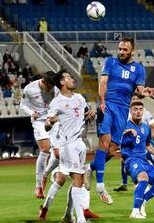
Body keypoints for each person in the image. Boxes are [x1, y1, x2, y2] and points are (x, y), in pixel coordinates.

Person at [85, 37, 154, 205]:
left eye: (125, 50)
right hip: (108, 105)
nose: (121, 52)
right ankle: (101, 187)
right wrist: (102, 101)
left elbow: (139, 91)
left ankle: (90, 168)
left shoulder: (139, 69)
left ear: (132, 51)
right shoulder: (110, 61)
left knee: (111, 152)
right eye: (120, 49)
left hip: (123, 110)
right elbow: (103, 82)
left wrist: (144, 93)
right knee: (104, 143)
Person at [44, 69, 95, 223]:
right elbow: (47, 126)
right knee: (77, 178)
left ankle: (68, 216)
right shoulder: (56, 102)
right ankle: (80, 219)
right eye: (68, 77)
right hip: (68, 145)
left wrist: (91, 114)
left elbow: (85, 113)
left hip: (80, 143)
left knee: (77, 180)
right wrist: (49, 122)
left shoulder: (80, 98)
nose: (72, 79)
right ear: (62, 82)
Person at [121, 100, 154, 219]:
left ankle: (143, 199)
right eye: (135, 109)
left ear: (143, 111)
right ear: (131, 111)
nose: (138, 112)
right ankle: (134, 211)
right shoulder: (124, 125)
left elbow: (148, 146)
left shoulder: (146, 127)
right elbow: (114, 138)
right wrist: (125, 132)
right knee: (143, 178)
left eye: (140, 109)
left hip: (143, 161)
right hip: (131, 161)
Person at [20, 71, 58, 199]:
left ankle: (47, 173)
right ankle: (38, 186)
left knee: (58, 152)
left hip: (53, 119)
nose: (51, 89)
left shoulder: (55, 87)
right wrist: (31, 113)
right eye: (49, 86)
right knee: (45, 149)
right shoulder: (29, 89)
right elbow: (23, 105)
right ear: (44, 81)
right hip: (39, 120)